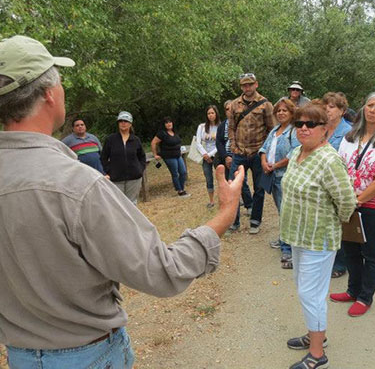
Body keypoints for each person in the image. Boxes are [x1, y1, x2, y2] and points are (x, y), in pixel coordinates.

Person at [0, 35, 244, 369]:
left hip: (20, 356)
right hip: (88, 357)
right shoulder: (76, 185)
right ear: (49, 94)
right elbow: (162, 272)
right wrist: (225, 213)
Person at [280, 104, 356, 369]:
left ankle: (317, 353)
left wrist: (331, 223)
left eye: (310, 124)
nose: (303, 128)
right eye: (299, 123)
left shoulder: (329, 160)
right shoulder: (296, 152)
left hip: (318, 238)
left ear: (324, 129)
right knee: (306, 291)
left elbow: (347, 202)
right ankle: (316, 336)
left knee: (311, 294)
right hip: (297, 236)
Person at [330, 91, 375, 317]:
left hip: (372, 207)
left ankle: (365, 297)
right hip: (348, 204)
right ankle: (352, 290)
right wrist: (343, 200)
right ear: (363, 108)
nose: (372, 110)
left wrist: (356, 201)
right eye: (369, 105)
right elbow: (339, 168)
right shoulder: (349, 138)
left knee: (370, 251)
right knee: (350, 249)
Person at [228, 73, 274, 233]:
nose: (247, 88)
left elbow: (272, 130)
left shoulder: (265, 104)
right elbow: (231, 127)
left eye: (250, 84)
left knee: (259, 189)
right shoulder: (235, 104)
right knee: (233, 186)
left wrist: (264, 151)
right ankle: (233, 221)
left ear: (256, 84)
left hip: (257, 153)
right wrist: (233, 146)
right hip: (239, 153)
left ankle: (255, 220)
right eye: (244, 85)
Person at [259, 99, 298, 268]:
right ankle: (284, 239)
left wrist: (275, 165)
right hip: (272, 175)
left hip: (285, 176)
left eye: (285, 111)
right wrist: (263, 162)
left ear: (291, 113)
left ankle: (287, 249)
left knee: (286, 212)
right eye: (279, 111)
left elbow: (294, 153)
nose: (281, 113)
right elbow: (263, 148)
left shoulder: (294, 131)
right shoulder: (274, 130)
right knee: (281, 210)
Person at [322, 92, 352, 278]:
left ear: (342, 111)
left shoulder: (349, 132)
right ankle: (328, 259)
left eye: (332, 106)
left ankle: (341, 263)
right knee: (326, 222)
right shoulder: (320, 128)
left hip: (340, 182)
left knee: (341, 224)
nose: (327, 109)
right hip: (321, 183)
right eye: (326, 106)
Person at [216, 100, 252, 220]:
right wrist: (226, 157)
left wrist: (235, 155)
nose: (229, 111)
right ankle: (232, 214)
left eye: (231, 108)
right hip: (225, 158)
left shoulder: (242, 123)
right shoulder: (222, 126)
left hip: (239, 157)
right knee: (229, 184)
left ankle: (249, 205)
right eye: (227, 109)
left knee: (242, 183)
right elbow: (219, 143)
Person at [101, 111, 146, 205]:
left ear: (130, 124)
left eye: (125, 121)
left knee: (132, 204)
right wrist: (108, 171)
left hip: (134, 178)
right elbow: (103, 158)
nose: (123, 123)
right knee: (118, 204)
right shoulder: (111, 139)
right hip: (116, 178)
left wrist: (140, 169)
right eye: (120, 121)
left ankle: (132, 220)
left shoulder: (135, 140)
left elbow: (142, 157)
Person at [151, 116, 189, 197]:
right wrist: (155, 154)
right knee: (175, 173)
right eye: (166, 122)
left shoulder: (174, 132)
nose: (169, 124)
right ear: (164, 124)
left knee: (183, 172)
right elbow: (153, 143)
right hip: (169, 156)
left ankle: (181, 188)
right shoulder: (162, 133)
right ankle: (180, 190)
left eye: (170, 122)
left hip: (178, 155)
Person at [196, 105, 221, 208]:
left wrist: (211, 154)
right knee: (208, 178)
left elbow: (220, 143)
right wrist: (205, 155)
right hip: (205, 156)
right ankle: (211, 201)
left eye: (212, 113)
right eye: (209, 113)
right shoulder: (201, 127)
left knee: (221, 177)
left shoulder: (220, 126)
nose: (210, 115)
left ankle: (225, 197)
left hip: (217, 155)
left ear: (216, 114)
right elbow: (198, 142)